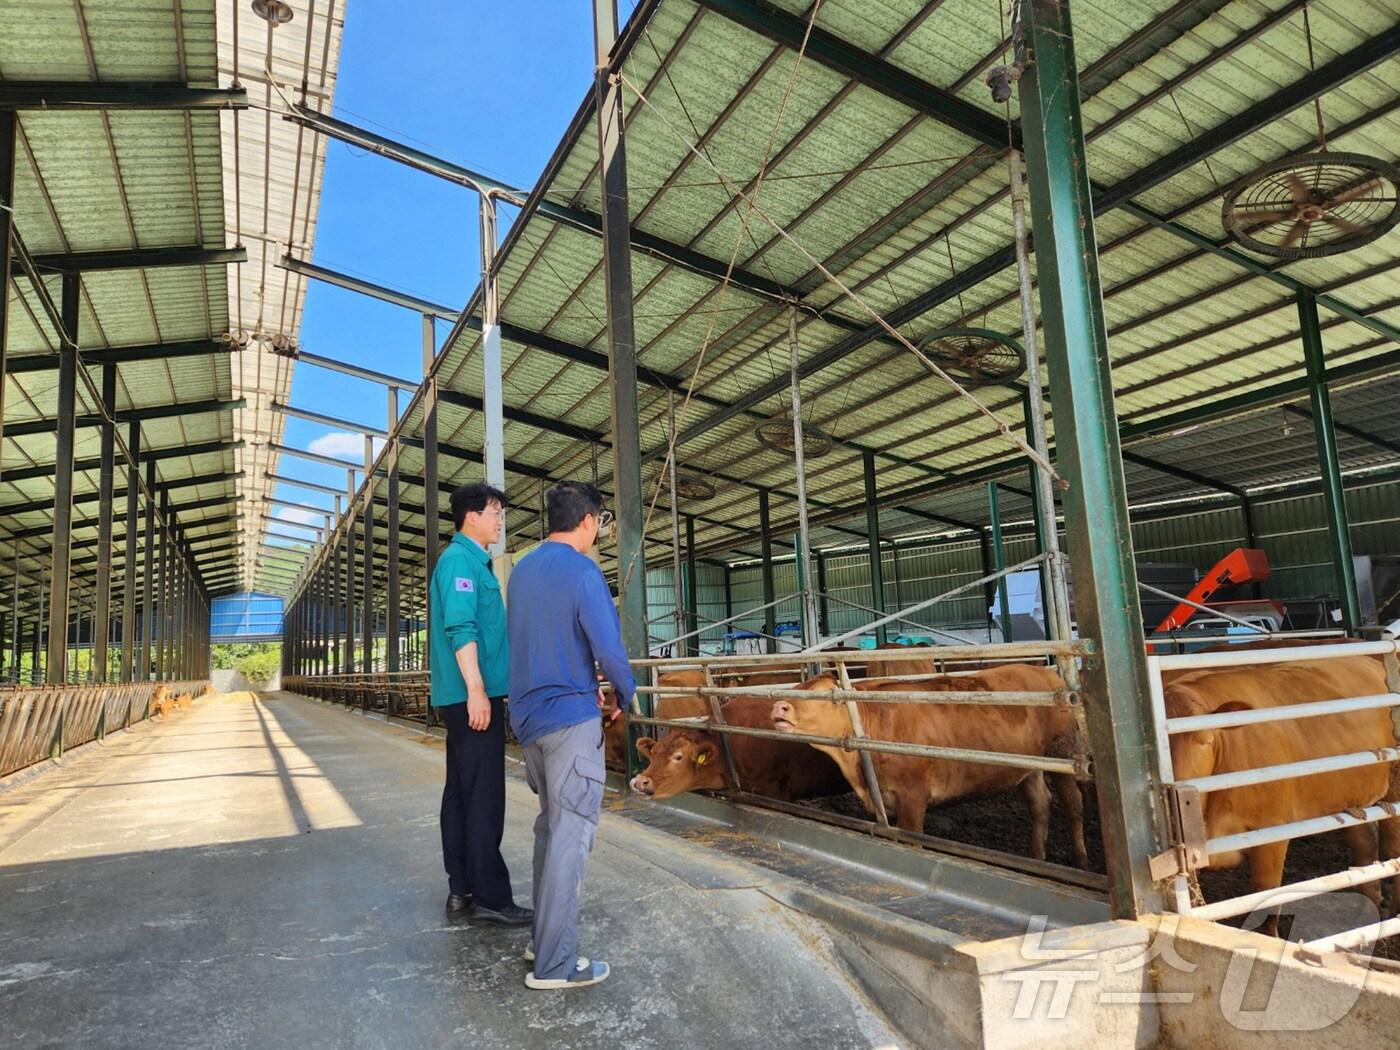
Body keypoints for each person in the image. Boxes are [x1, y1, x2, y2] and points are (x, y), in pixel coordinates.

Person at [507, 481, 635, 990]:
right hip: (569, 722)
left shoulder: (522, 572)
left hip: (528, 722)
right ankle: (556, 964)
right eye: (601, 523)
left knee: (550, 828)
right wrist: (623, 694)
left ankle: (543, 939)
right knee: (571, 835)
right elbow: (607, 645)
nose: (599, 531)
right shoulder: (584, 571)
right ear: (588, 521)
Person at [430, 482, 532, 928]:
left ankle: (462, 886)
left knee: (462, 792)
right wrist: (476, 689)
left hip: (466, 695)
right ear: (471, 516)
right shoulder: (460, 563)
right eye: (495, 512)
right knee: (484, 795)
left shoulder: (471, 563)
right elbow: (461, 627)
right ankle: (491, 894)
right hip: (472, 696)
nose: (499, 521)